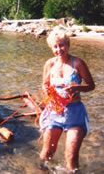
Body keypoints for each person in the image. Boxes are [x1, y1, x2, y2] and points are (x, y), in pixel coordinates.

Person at [39, 28, 95, 172]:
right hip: (54, 112)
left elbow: (91, 85)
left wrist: (77, 88)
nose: (59, 49)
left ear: (68, 44)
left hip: (74, 113)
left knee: (71, 158)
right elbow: (45, 85)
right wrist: (48, 94)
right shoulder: (49, 64)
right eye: (55, 46)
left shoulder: (78, 63)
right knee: (47, 154)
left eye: (62, 45)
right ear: (51, 48)